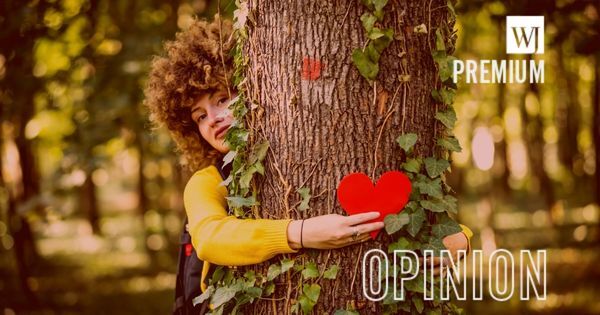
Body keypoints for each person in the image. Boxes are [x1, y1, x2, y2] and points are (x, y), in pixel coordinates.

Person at [144, 17, 472, 310]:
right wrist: (301, 233)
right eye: (200, 116)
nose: (213, 119)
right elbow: (210, 238)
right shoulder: (206, 180)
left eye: (222, 99)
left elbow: (417, 218)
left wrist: (463, 239)